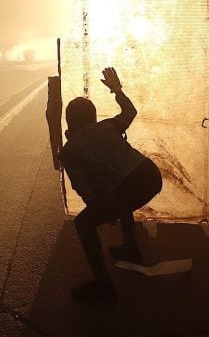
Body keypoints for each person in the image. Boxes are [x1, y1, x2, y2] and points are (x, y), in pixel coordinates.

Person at [58, 67, 163, 302]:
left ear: (69, 122)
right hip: (151, 175)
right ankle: (131, 248)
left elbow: (85, 189)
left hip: (129, 185)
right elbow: (130, 111)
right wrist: (116, 89)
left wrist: (102, 212)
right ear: (93, 117)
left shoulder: (69, 151)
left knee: (84, 223)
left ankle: (103, 285)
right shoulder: (107, 126)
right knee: (119, 195)